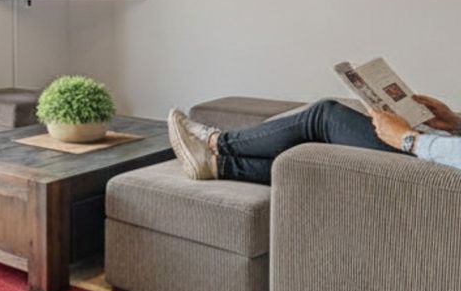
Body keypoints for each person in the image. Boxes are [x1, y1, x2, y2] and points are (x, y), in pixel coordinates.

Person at [167, 95, 461, 184]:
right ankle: (218, 165)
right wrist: (454, 122)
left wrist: (408, 139)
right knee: (320, 152)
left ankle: (218, 142)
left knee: (324, 116)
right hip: (442, 151)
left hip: (436, 168)